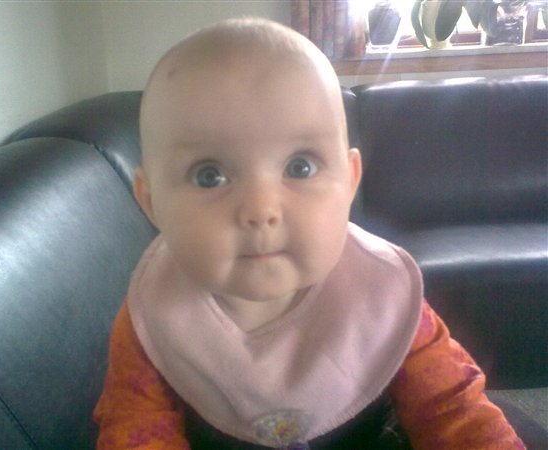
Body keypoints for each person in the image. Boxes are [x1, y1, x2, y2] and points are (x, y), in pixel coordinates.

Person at [93, 18, 523, 449]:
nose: (261, 210)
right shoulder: (154, 317)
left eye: (300, 167)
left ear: (350, 181)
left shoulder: (382, 294)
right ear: (151, 202)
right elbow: (134, 431)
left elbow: (453, 410)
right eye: (209, 175)